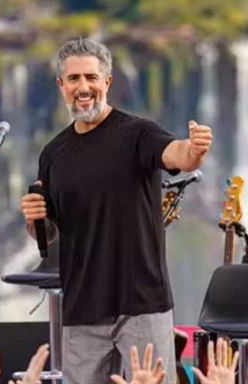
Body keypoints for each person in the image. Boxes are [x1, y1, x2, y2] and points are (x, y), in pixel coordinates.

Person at [20, 38, 213, 384]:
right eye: (74, 78)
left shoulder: (138, 133)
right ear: (61, 85)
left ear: (107, 82)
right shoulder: (52, 154)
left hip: (142, 303)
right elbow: (48, 233)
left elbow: (178, 155)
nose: (83, 87)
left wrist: (194, 151)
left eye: (91, 77)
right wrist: (34, 219)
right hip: (82, 308)